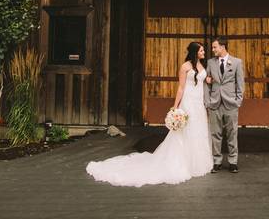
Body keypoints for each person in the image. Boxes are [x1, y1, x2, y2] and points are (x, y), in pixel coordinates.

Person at [86, 42, 212, 186]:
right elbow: (181, 88)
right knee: (186, 132)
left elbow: (207, 80)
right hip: (188, 102)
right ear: (195, 52)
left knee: (198, 131)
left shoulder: (202, 66)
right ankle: (184, 163)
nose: (203, 52)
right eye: (201, 50)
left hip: (198, 104)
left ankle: (197, 163)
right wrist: (175, 107)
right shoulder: (185, 67)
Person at [204, 37, 245, 173]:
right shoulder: (210, 62)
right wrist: (208, 101)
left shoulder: (237, 62)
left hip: (231, 103)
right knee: (216, 134)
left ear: (222, 47)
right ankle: (217, 162)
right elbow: (207, 83)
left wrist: (238, 101)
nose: (213, 49)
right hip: (214, 103)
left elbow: (240, 84)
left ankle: (233, 162)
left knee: (232, 133)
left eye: (215, 47)